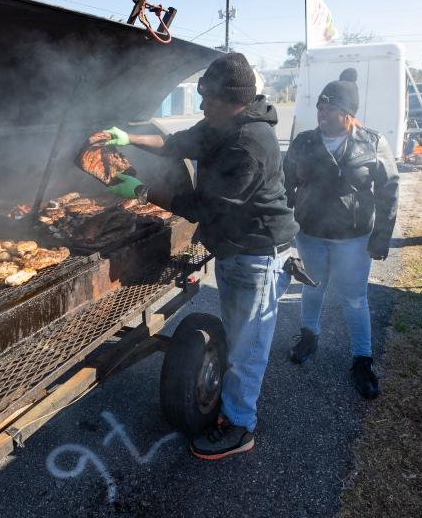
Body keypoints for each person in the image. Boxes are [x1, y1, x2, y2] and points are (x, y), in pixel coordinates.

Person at [102, 52, 299, 460]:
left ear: (234, 99)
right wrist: (128, 137)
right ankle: (230, 405)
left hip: (257, 255)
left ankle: (241, 427)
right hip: (234, 249)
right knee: (238, 333)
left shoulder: (248, 143)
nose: (201, 103)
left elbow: (203, 207)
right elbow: (178, 143)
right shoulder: (222, 123)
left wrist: (140, 191)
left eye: (208, 97)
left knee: (248, 348)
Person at [282, 78, 399, 399]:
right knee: (311, 287)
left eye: (330, 108)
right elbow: (284, 184)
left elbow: (389, 191)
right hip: (311, 233)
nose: (322, 114)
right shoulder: (303, 142)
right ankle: (309, 335)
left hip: (353, 237)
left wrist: (381, 239)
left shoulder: (372, 143)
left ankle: (362, 359)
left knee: (354, 298)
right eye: (320, 107)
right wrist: (281, 228)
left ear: (348, 113)